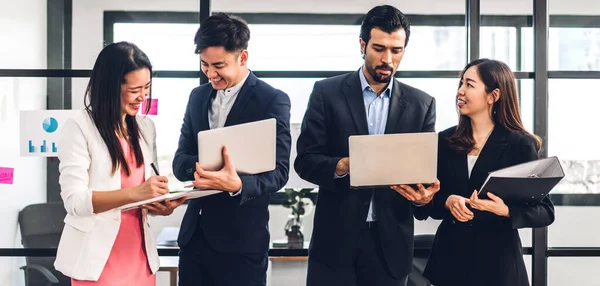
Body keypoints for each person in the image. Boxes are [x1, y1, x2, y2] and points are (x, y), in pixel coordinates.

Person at [294, 5, 440, 286]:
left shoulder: (422, 105)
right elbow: (305, 161)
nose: (387, 59)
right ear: (362, 45)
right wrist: (343, 165)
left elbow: (422, 175)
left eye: (396, 50)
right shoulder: (326, 93)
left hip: (390, 248)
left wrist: (424, 198)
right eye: (379, 48)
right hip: (334, 243)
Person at [172, 13, 291, 286]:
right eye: (204, 65)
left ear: (243, 57)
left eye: (219, 66)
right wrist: (203, 167)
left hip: (242, 245)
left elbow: (280, 173)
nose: (211, 74)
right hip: (195, 240)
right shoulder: (197, 97)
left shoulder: (271, 100)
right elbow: (180, 161)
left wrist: (237, 184)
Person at [54, 41, 185, 284]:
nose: (143, 96)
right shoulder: (79, 127)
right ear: (111, 87)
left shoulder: (146, 128)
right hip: (97, 260)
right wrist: (136, 193)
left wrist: (161, 204)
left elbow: (145, 191)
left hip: (139, 256)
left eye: (147, 87)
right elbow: (75, 201)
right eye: (135, 89)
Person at [417, 58, 555, 286]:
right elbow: (427, 203)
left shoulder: (520, 144)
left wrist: (505, 210)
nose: (460, 91)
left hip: (498, 266)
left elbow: (545, 211)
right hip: (449, 263)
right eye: (461, 83)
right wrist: (447, 201)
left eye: (469, 85)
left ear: (493, 96)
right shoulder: (445, 140)